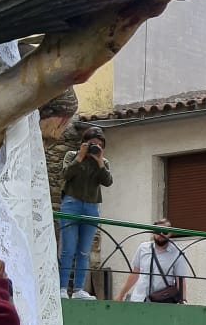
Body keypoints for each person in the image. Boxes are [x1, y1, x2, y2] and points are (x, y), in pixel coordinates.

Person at [57, 125, 112, 299]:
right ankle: (62, 289)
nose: (95, 147)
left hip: (91, 207)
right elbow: (65, 175)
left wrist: (100, 161)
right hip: (71, 203)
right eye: (91, 144)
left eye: (99, 145)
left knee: (84, 251)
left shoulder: (103, 162)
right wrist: (80, 156)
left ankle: (79, 289)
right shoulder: (72, 156)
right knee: (68, 249)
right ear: (83, 143)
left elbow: (108, 182)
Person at [117, 219, 191, 303]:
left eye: (165, 232)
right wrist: (121, 294)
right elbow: (135, 273)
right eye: (158, 231)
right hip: (139, 299)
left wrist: (183, 300)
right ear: (153, 233)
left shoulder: (177, 252)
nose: (161, 234)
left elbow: (180, 279)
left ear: (170, 233)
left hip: (162, 302)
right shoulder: (143, 248)